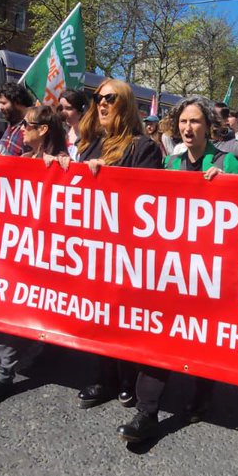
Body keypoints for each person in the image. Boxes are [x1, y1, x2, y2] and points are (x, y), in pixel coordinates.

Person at [117, 96, 238, 444]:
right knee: (159, 336)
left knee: (204, 338)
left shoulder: (227, 161)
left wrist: (230, 185)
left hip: (210, 273)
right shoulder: (170, 164)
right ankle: (146, 412)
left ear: (208, 127)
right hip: (173, 272)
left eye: (196, 122)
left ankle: (203, 393)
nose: (189, 128)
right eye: (184, 122)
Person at [71, 79, 164, 410]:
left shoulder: (144, 148)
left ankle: (127, 377)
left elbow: (147, 205)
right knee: (98, 314)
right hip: (92, 249)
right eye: (97, 98)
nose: (101, 104)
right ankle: (104, 376)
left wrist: (108, 180)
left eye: (109, 98)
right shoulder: (88, 147)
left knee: (124, 316)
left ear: (124, 103)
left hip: (126, 252)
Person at [0, 104, 69, 407]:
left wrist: (66, 169)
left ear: (43, 130)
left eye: (27, 125)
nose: (20, 130)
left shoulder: (67, 164)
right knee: (14, 308)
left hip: (54, 256)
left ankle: (45, 346)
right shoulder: (21, 161)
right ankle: (3, 373)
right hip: (21, 252)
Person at [0, 82, 35, 157]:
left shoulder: (32, 127)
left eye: (3, 103)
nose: (0, 107)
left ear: (17, 102)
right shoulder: (13, 123)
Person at [59, 88, 87, 158]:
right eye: (61, 108)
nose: (63, 113)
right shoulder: (61, 131)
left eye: (68, 108)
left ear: (81, 111)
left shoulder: (89, 136)